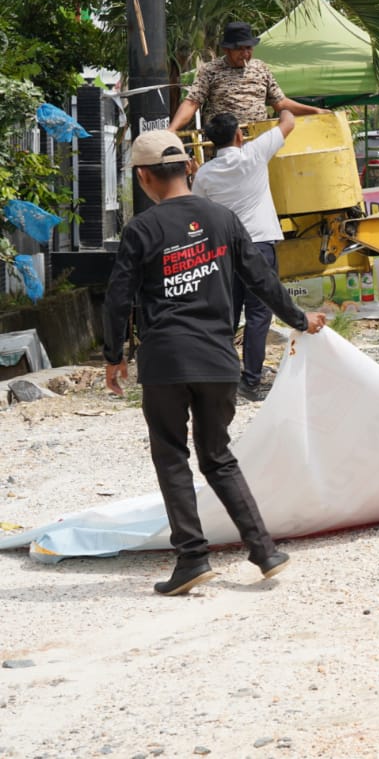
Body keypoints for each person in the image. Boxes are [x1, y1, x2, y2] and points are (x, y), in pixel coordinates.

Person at [103, 130, 326, 596]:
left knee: (172, 456)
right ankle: (264, 550)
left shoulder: (141, 230)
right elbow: (262, 280)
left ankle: (192, 558)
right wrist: (300, 319)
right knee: (218, 456)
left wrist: (113, 356)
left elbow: (118, 298)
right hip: (219, 360)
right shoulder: (223, 219)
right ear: (187, 168)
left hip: (166, 361)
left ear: (144, 177)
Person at [191, 110, 295, 401]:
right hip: (260, 245)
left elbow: (197, 209)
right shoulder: (254, 153)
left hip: (226, 249)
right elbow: (288, 122)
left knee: (228, 314)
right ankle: (250, 381)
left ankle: (223, 379)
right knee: (259, 315)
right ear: (239, 135)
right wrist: (280, 104)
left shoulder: (205, 173)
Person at [169, 21, 327, 131]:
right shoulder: (210, 70)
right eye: (239, 49)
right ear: (226, 49)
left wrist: (315, 111)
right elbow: (191, 103)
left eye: (249, 48)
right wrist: (172, 129)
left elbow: (280, 103)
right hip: (225, 148)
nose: (245, 54)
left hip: (259, 145)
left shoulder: (261, 68)